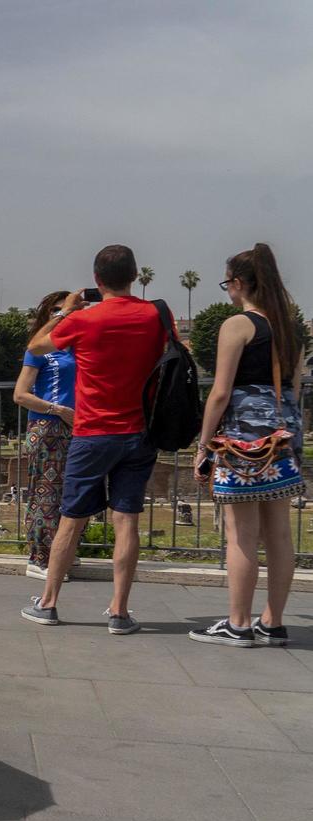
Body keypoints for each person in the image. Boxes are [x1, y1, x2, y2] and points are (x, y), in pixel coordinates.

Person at [21, 245, 166, 634]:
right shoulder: (155, 316)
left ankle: (48, 603)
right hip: (138, 432)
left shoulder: (85, 320)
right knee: (127, 521)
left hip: (91, 432)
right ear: (134, 276)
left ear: (97, 280)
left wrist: (68, 310)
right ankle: (119, 611)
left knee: (71, 520)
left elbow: (36, 347)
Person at [190, 244, 304, 647]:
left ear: (239, 283)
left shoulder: (237, 325)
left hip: (242, 440)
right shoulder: (291, 329)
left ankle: (238, 623)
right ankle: (272, 622)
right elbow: (292, 389)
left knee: (241, 534)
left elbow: (220, 392)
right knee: (279, 534)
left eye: (227, 284)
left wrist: (203, 446)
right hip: (283, 437)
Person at [14, 291, 76, 578]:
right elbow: (21, 395)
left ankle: (61, 553)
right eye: (58, 311)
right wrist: (57, 410)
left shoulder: (77, 348)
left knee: (71, 495)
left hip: (77, 427)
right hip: (47, 427)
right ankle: (39, 557)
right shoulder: (39, 350)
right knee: (46, 494)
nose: (66, 314)